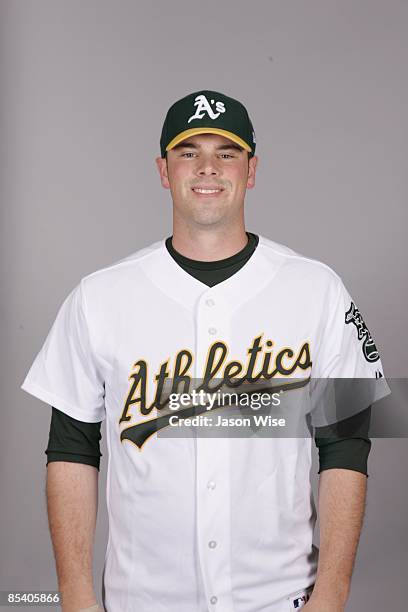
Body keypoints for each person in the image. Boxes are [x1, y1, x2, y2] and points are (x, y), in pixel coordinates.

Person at [21, 90, 391, 612]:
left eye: (227, 152)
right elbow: (71, 449)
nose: (208, 167)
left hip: (281, 598)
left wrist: (331, 595)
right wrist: (76, 598)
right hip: (142, 601)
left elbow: (347, 444)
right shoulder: (98, 296)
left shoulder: (318, 289)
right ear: (163, 169)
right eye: (189, 152)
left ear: (252, 169)